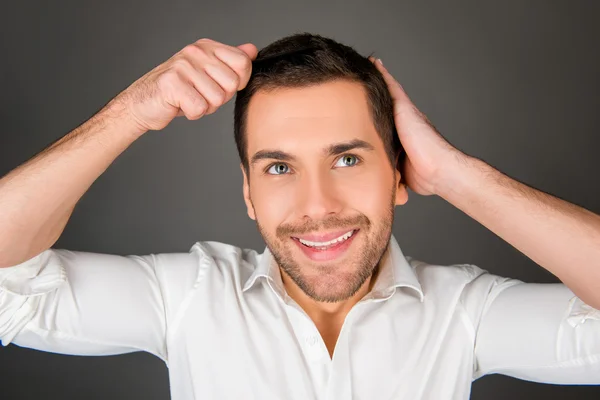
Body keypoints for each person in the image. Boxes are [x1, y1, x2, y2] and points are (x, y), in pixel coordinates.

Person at [0, 33, 599, 399]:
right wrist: (132, 112)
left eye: (346, 158)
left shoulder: (463, 312)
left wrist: (456, 175)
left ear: (398, 172)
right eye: (279, 168)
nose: (317, 206)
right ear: (249, 193)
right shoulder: (189, 296)